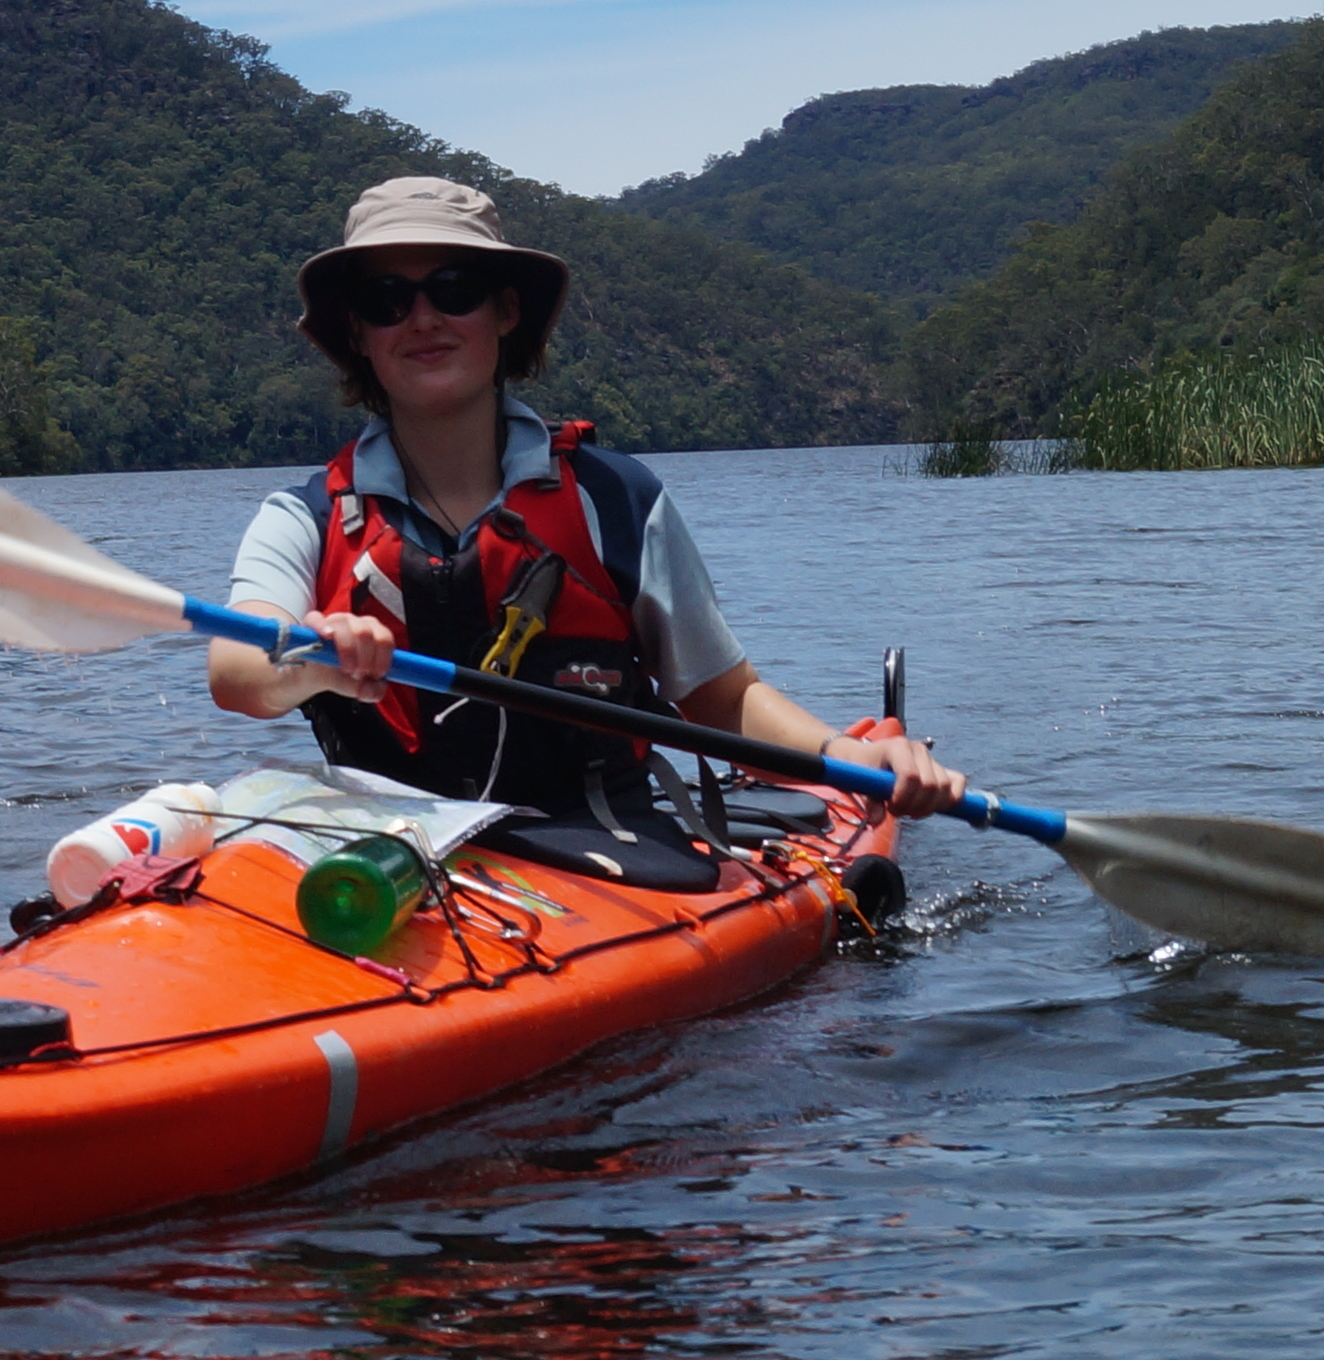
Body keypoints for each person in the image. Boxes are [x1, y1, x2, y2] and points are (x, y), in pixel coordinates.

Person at [205, 174, 965, 889]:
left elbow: (720, 698)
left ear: (505, 313)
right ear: (359, 332)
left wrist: (848, 755)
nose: (424, 319)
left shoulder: (615, 499)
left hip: (598, 843)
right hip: (387, 852)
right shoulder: (302, 517)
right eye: (386, 300)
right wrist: (313, 661)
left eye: (454, 290)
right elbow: (237, 670)